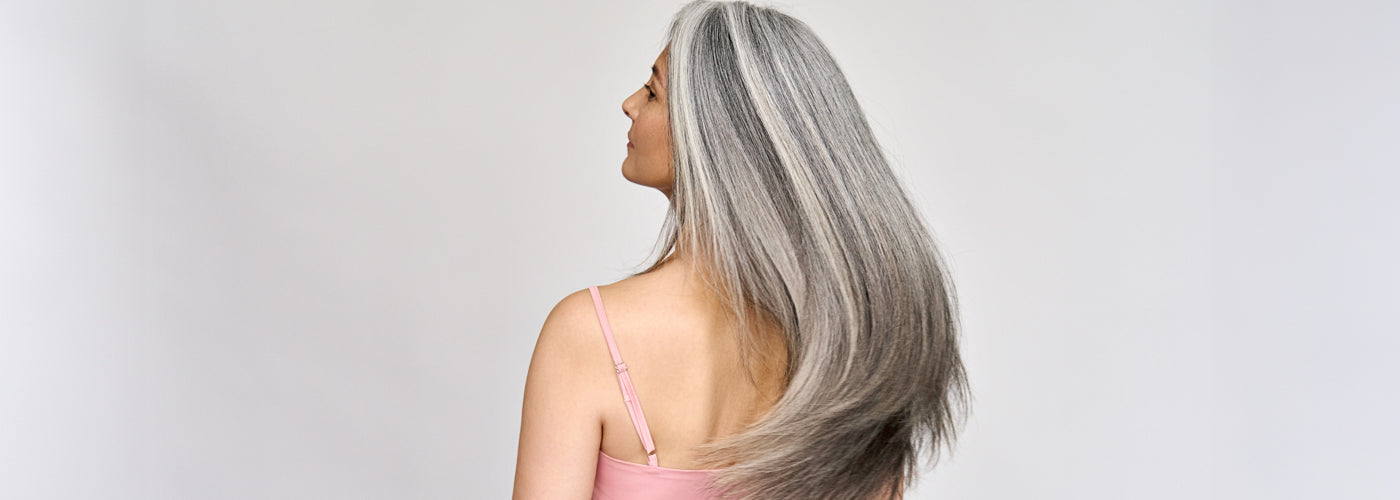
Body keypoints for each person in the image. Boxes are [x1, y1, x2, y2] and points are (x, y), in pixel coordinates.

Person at [512, 1, 970, 499]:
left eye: (652, 91)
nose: (629, 103)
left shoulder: (589, 333)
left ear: (713, 132)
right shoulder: (859, 346)